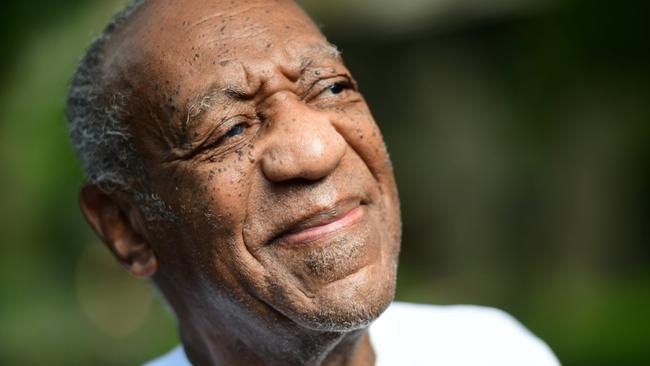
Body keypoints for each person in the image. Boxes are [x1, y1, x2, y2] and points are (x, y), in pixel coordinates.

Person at [66, 0, 560, 365]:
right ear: (127, 228)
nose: (316, 149)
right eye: (230, 129)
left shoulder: (495, 350)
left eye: (332, 88)